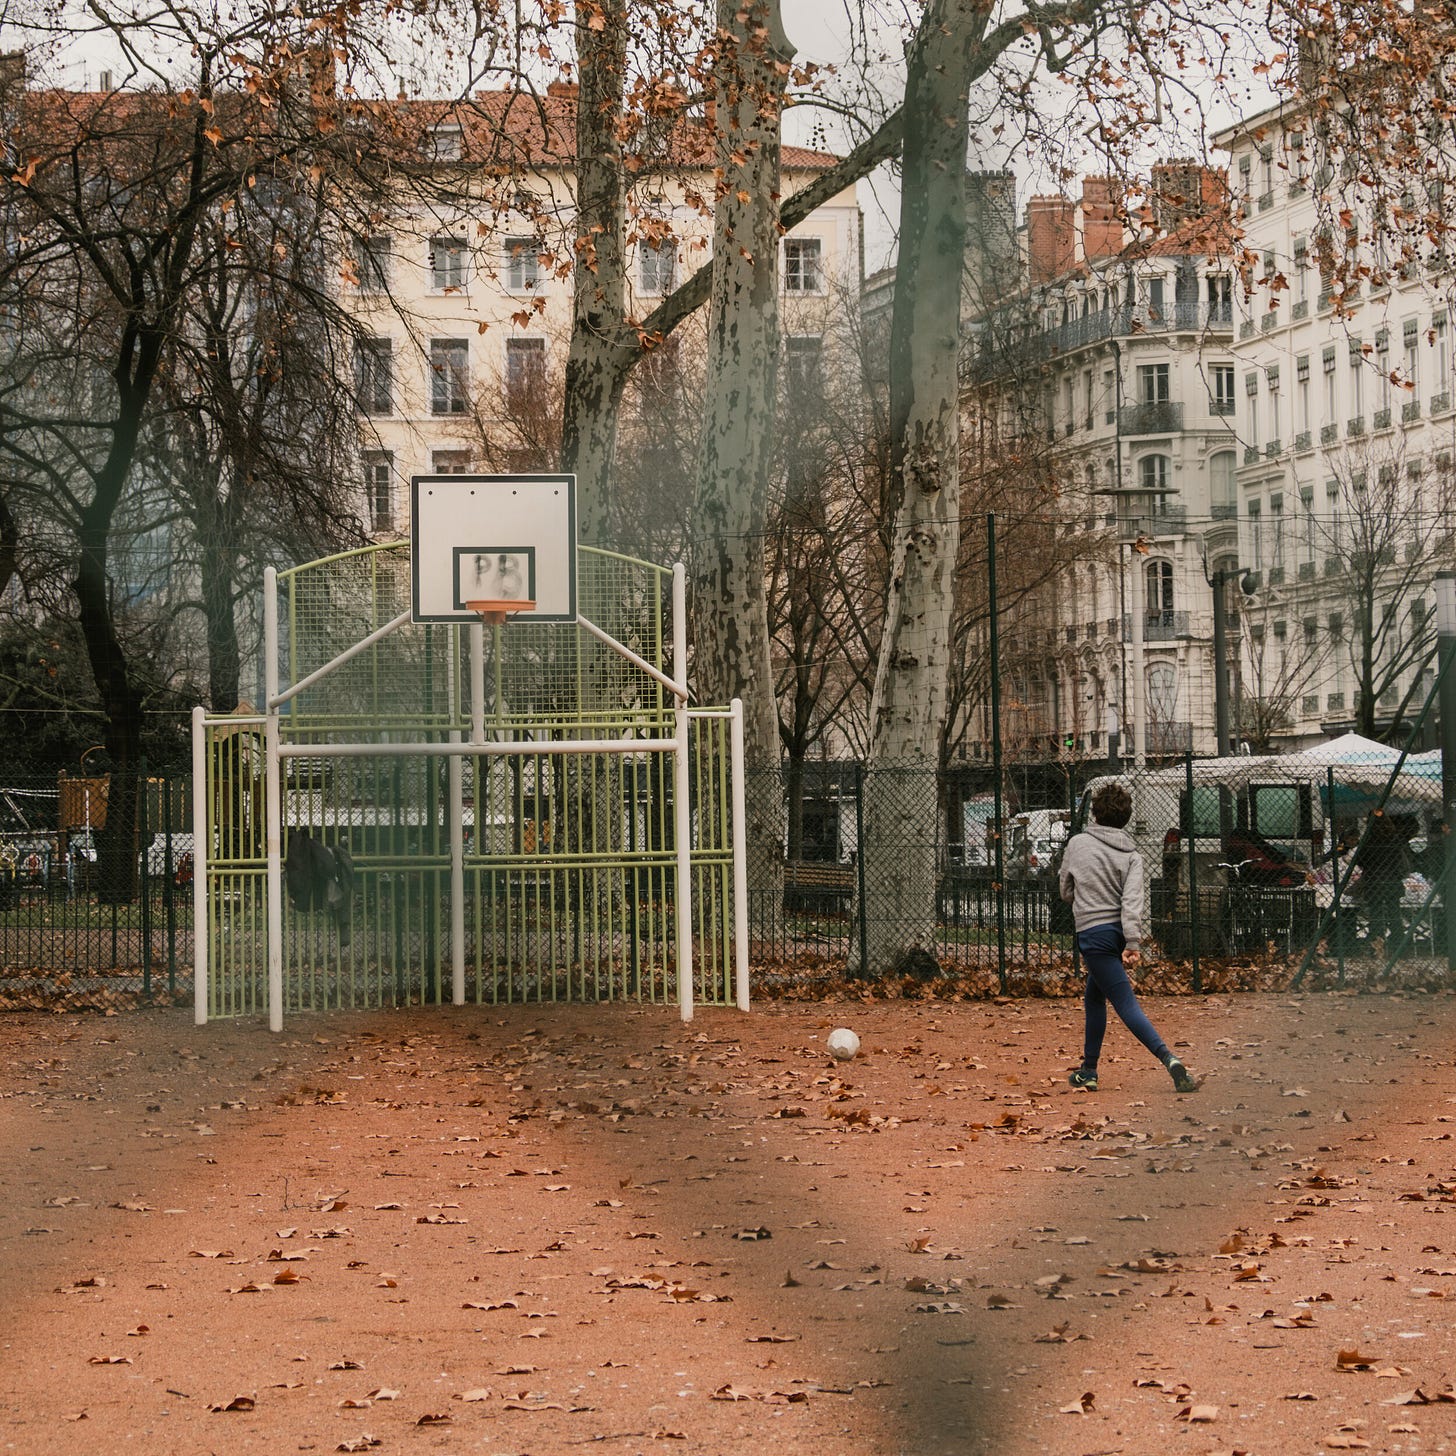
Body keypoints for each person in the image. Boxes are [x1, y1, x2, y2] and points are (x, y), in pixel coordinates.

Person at [1058, 781, 1197, 1093]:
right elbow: (1132, 900)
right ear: (1126, 818)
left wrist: (1085, 897)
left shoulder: (1078, 844)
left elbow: (1065, 890)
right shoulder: (1132, 854)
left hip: (1092, 934)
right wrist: (1132, 942)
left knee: (1124, 1003)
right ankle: (1089, 1070)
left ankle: (1169, 1058)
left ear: (1093, 813)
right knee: (1094, 997)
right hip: (1117, 935)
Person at [1354, 808, 1410, 949]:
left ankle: (1377, 941)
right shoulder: (1394, 838)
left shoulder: (1368, 840)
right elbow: (1400, 860)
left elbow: (1360, 860)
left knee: (1376, 913)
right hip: (1392, 880)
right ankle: (1398, 943)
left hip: (1374, 880)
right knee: (1394, 913)